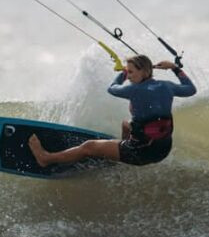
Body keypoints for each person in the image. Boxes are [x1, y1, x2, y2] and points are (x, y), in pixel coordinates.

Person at [28, 54, 196, 168]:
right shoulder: (167, 86)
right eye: (127, 72)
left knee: (88, 147)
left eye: (131, 72)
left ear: (144, 72)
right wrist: (174, 68)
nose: (129, 76)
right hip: (162, 150)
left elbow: (112, 88)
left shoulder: (133, 90)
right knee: (126, 124)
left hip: (141, 154)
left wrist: (121, 74)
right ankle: (119, 152)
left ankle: (46, 158)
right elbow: (190, 89)